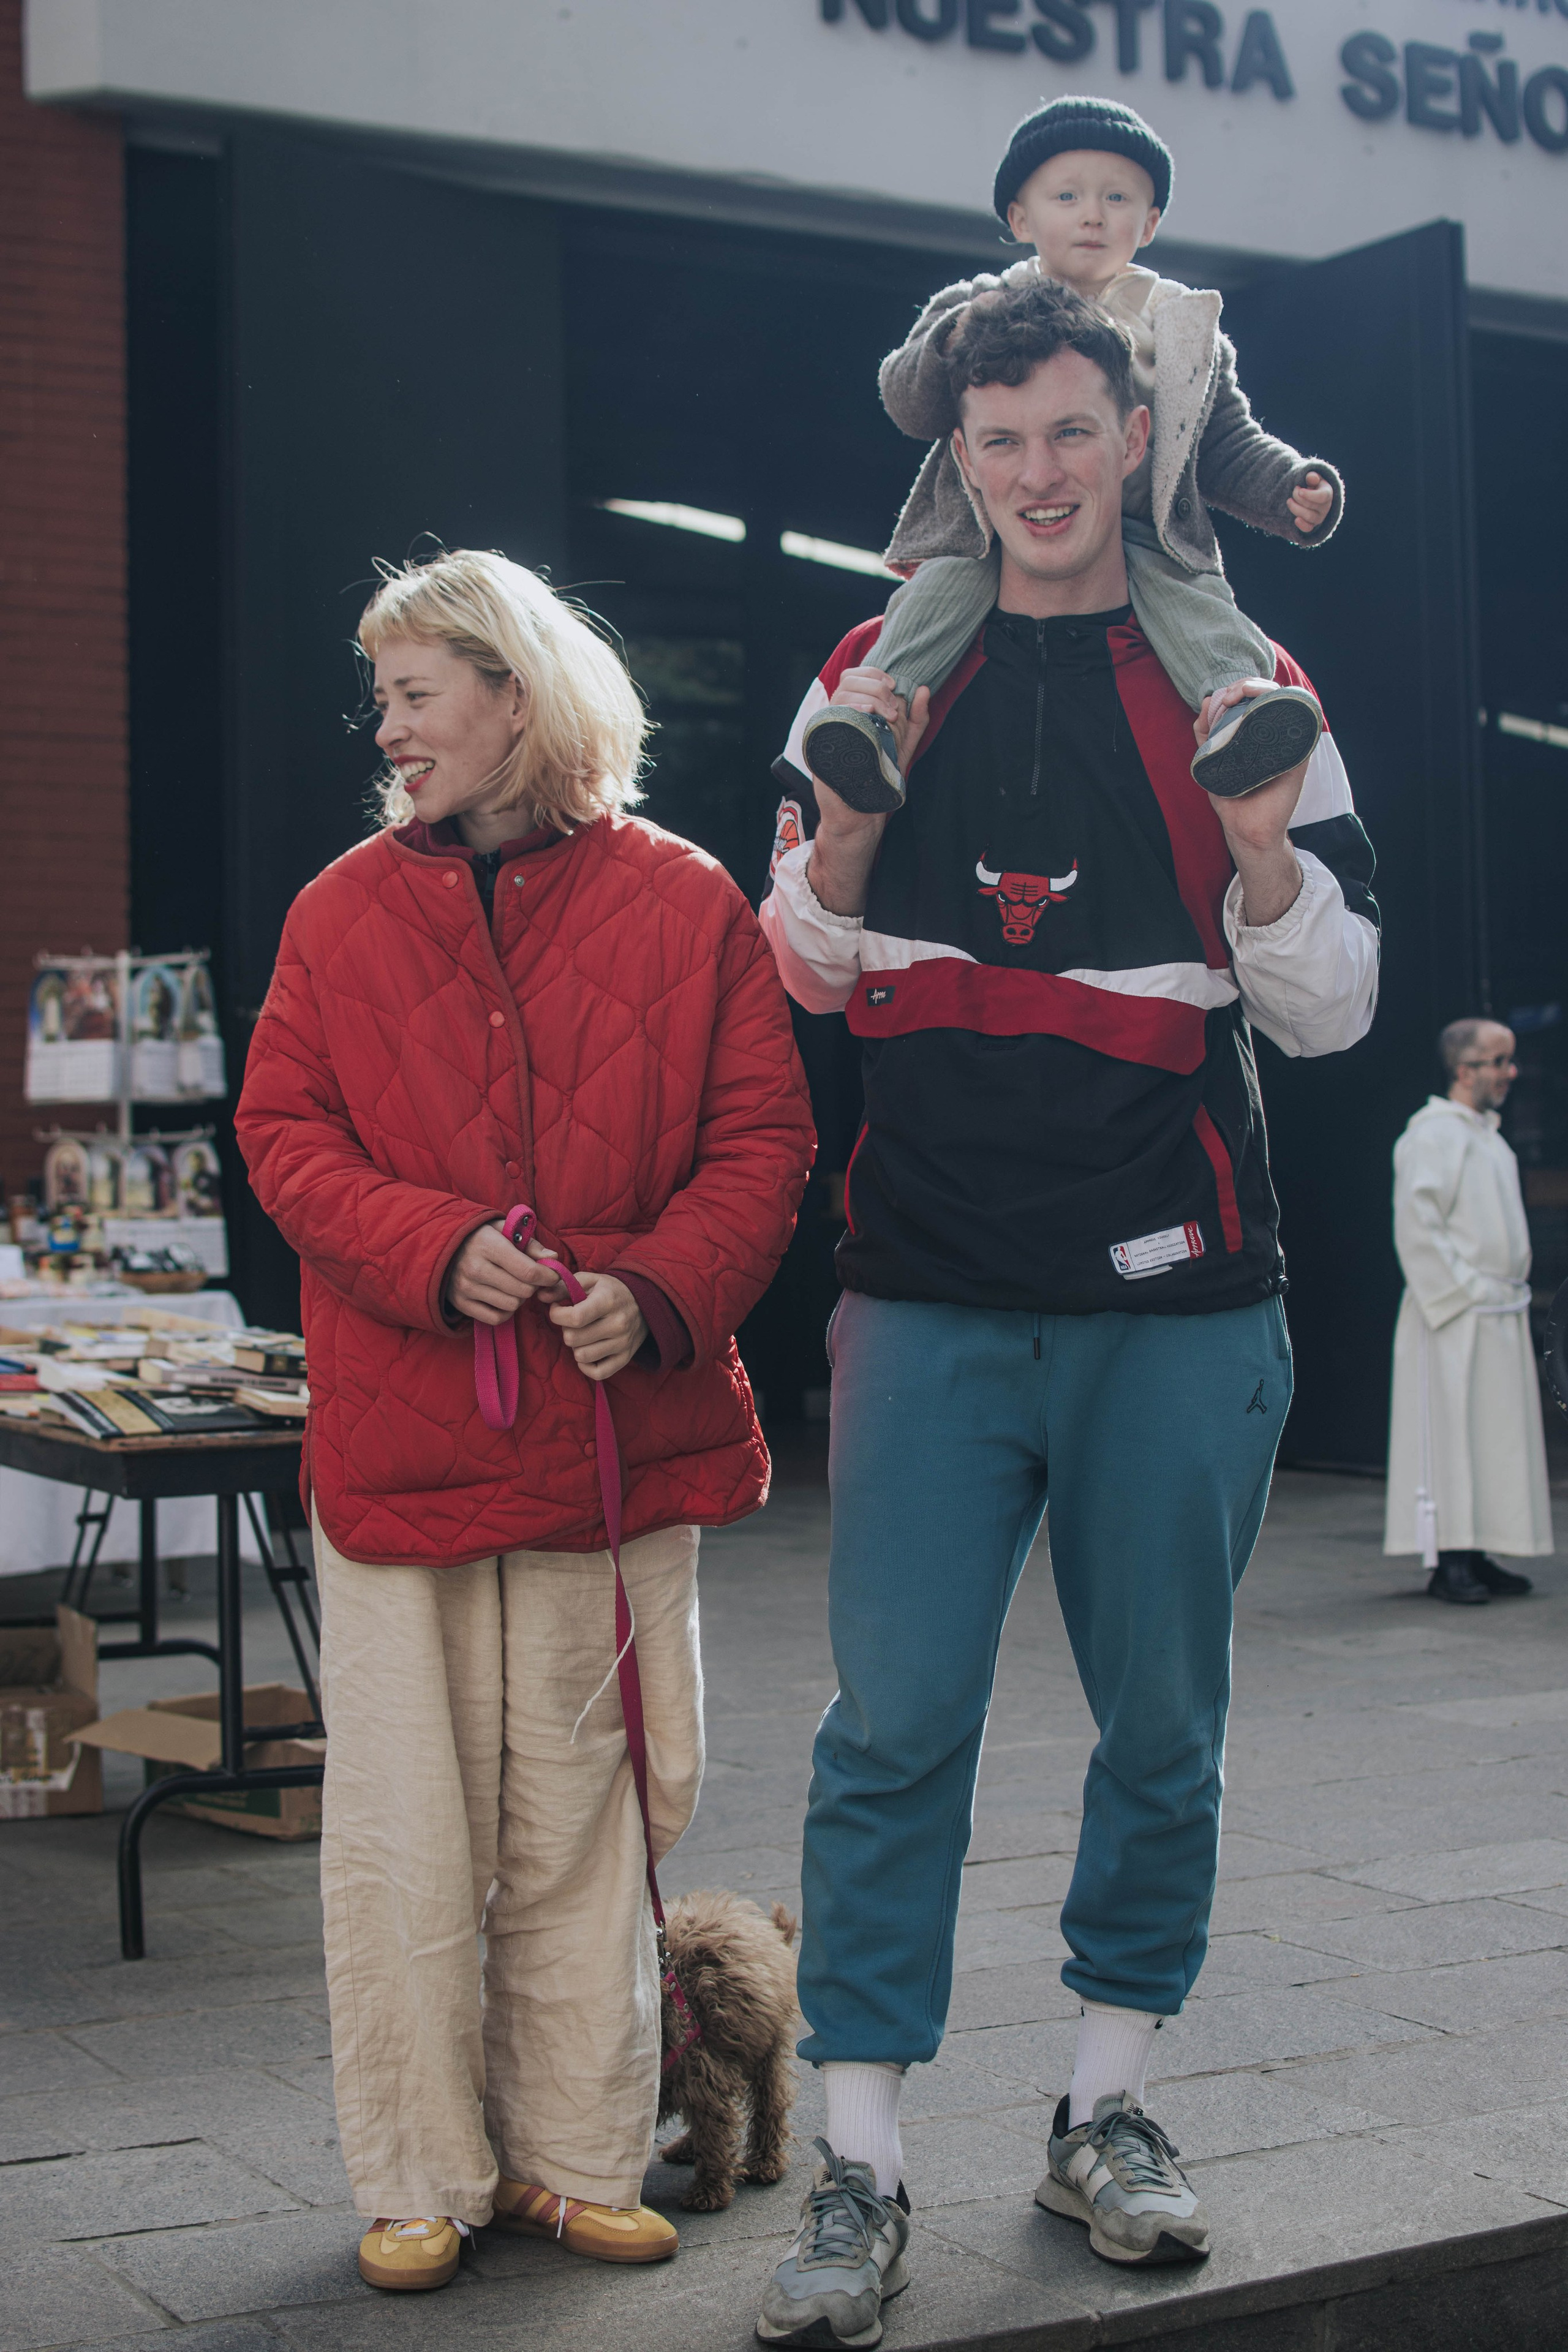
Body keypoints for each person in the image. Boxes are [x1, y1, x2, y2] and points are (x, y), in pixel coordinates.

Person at [754, 277, 1378, 2346]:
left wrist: (1263, 853)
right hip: (929, 1289)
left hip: (1178, 1296)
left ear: (1138, 443)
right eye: (1001, 438)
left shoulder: (1244, 682)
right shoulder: (871, 672)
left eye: (1073, 434)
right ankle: (859, 2163)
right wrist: (850, 830)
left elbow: (1333, 1007)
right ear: (962, 456)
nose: (1038, 473)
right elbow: (801, 969)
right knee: (892, 1730)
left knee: (1165, 1732)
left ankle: (1105, 2114)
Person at [235, 549, 815, 2294]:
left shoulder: (687, 901)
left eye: (415, 693)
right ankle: (420, 2171)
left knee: (591, 1816)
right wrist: (429, 1248)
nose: (388, 729)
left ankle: (571, 2158)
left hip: (607, 1441)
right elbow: (284, 1135)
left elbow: (761, 1144)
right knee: (405, 1831)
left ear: (516, 694)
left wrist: (658, 1288)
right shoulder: (338, 911)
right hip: (405, 1439)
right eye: (385, 699)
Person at [799, 95, 1343, 819]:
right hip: (994, 527)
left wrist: (1286, 486)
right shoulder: (979, 303)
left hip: (1143, 529)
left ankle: (1241, 722)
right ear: (1019, 220)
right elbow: (905, 402)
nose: (1092, 215)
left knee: (1205, 613)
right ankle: (871, 726)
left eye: (1116, 199)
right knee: (934, 599)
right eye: (1067, 197)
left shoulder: (1181, 327)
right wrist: (949, 340)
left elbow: (1225, 441)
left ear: (1149, 224)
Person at [1384, 1019, 1550, 1604]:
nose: (1511, 1072)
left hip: (1495, 1308)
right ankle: (1450, 1557)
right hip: (1455, 1313)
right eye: (1499, 1061)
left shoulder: (1491, 1139)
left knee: (1493, 1436)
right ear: (1463, 1069)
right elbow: (1418, 1225)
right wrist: (1463, 1292)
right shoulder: (1432, 1135)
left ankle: (1480, 1548)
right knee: (1451, 1432)